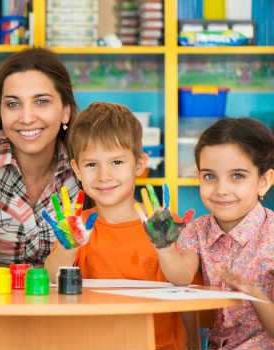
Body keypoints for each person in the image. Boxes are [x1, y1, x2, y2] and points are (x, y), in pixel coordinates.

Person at [44, 102, 191, 349]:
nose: (104, 175)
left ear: (139, 164)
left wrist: (164, 246)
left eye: (116, 162)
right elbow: (51, 278)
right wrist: (69, 246)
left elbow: (184, 283)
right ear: (77, 170)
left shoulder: (163, 225)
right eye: (91, 164)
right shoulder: (78, 227)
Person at [153, 117, 274, 349]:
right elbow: (181, 278)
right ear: (198, 176)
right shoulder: (196, 230)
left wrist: (254, 293)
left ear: (263, 181)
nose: (221, 190)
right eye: (210, 176)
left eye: (237, 176)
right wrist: (165, 246)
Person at [0, 47, 89, 267]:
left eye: (41, 101)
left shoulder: (87, 167)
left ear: (65, 112)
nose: (27, 117)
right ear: (0, 111)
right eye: (13, 104)